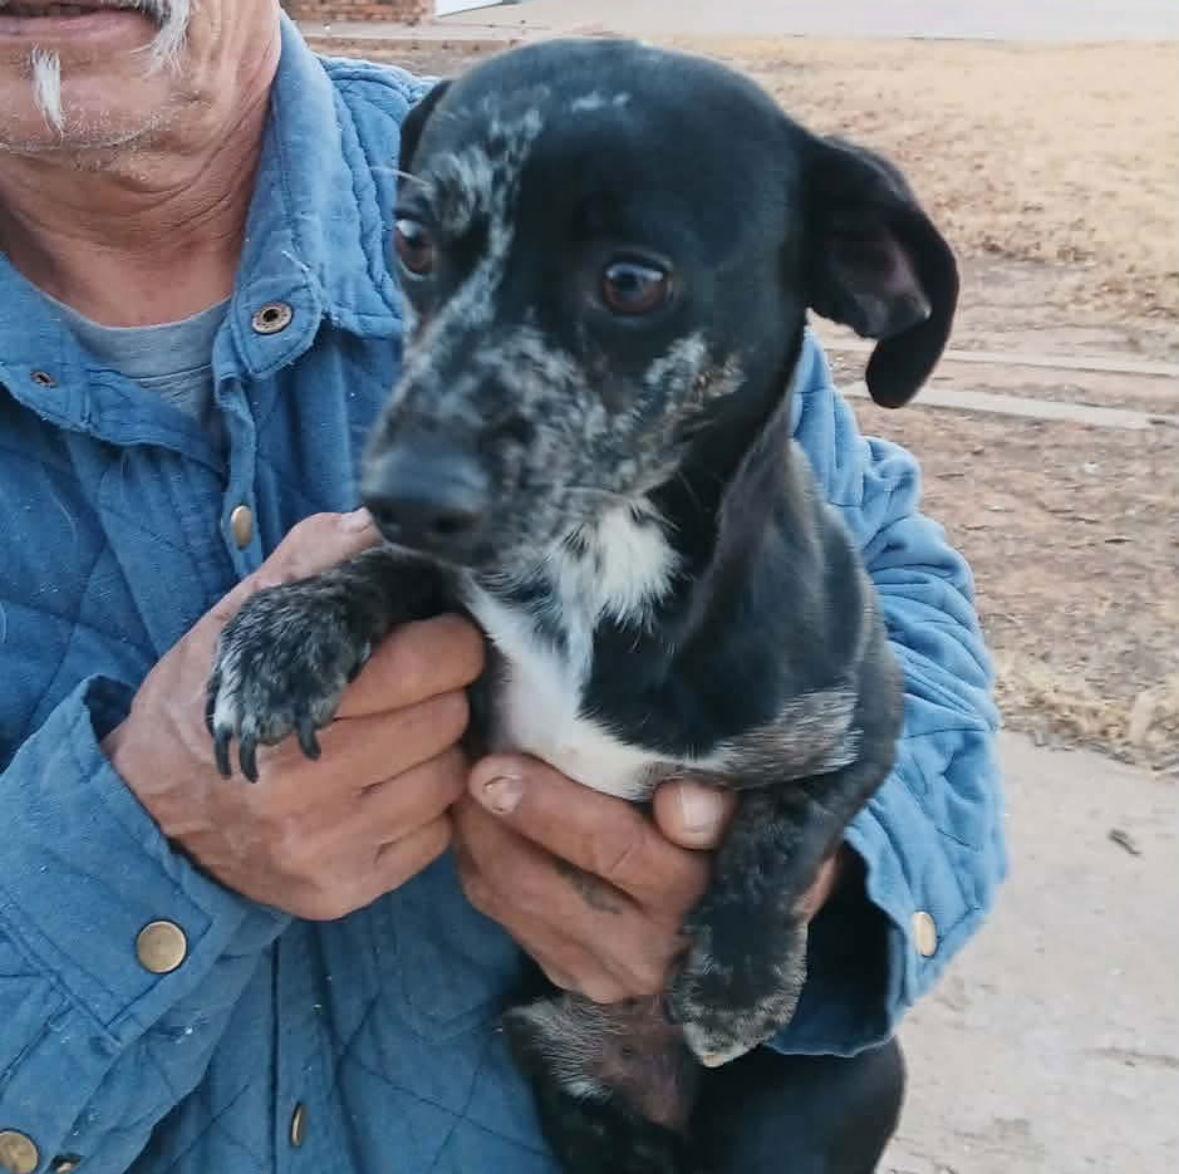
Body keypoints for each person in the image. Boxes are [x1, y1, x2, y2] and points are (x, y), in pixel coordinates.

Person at [0, 3, 1004, 1172]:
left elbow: (903, 600)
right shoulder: (472, 145)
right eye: (422, 251)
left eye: (629, 282)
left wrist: (805, 896)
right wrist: (134, 850)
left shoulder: (656, 169)